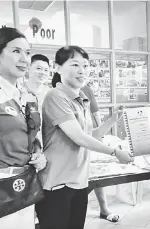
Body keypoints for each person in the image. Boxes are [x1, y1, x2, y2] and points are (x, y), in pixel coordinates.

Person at [36, 46, 133, 229]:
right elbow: (79, 138)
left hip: (79, 182)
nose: (82, 71)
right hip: (57, 184)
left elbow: (90, 136)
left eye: (86, 65)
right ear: (57, 67)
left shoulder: (80, 97)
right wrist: (115, 152)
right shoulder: (55, 96)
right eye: (75, 64)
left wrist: (112, 120)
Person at [0, 27, 46, 228]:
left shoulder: (23, 95)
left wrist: (38, 152)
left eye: (27, 53)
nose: (25, 59)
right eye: (16, 51)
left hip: (24, 187)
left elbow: (29, 135)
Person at [81, 85, 120, 222]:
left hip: (88, 137)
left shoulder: (85, 89)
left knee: (95, 172)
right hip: (71, 147)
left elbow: (95, 113)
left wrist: (110, 123)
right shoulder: (55, 95)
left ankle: (104, 208)